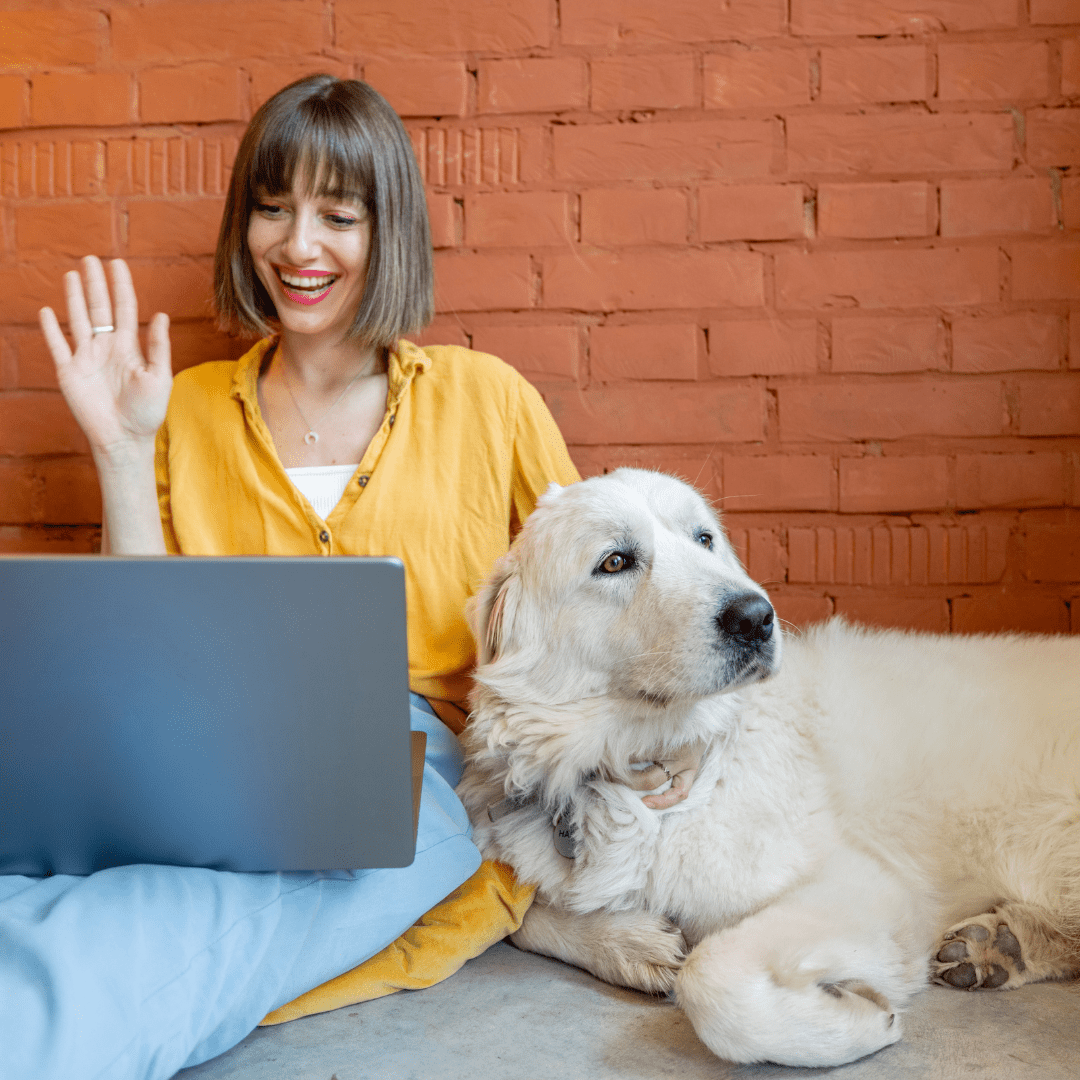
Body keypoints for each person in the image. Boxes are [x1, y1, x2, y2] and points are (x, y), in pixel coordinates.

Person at [7, 75, 699, 1080]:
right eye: (273, 208)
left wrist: (652, 721)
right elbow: (138, 638)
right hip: (205, 753)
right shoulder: (184, 406)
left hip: (411, 767)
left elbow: (602, 581)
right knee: (60, 859)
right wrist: (121, 450)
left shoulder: (484, 398)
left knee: (196, 913)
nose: (299, 246)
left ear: (391, 233)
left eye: (339, 215)